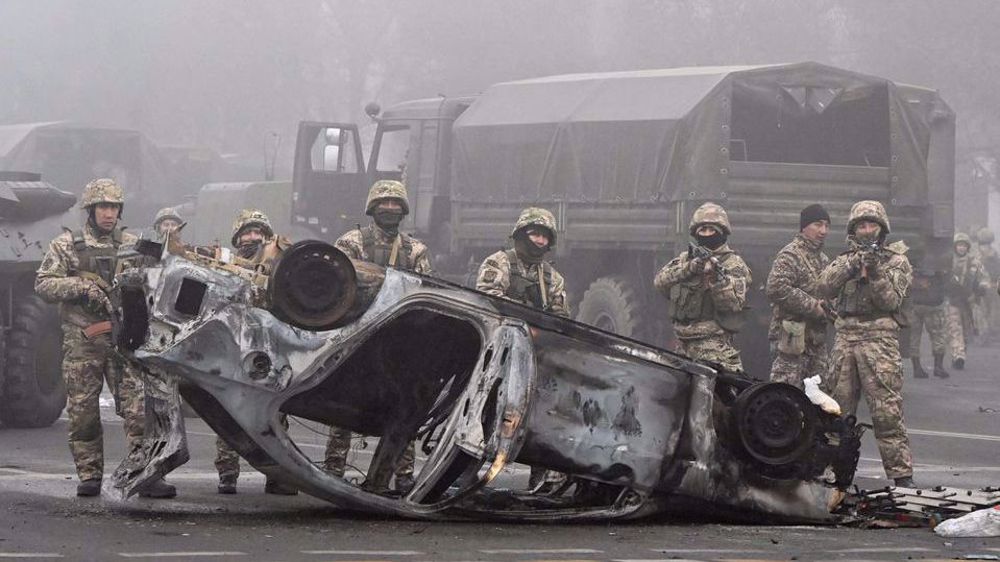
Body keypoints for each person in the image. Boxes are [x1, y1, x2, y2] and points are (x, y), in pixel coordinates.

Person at [35, 178, 176, 498]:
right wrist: (82, 287)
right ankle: (89, 474)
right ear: (91, 209)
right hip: (83, 340)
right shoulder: (67, 245)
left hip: (123, 339)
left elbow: (159, 276)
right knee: (84, 413)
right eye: (103, 207)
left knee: (140, 413)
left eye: (114, 207)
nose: (109, 213)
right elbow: (43, 285)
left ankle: (146, 474)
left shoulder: (131, 244)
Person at [323, 181, 431, 494]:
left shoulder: (416, 251)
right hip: (357, 335)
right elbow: (338, 283)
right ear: (372, 207)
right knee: (343, 405)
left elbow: (425, 293)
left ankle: (403, 475)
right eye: (383, 203)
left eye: (396, 204)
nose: (389, 209)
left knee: (404, 408)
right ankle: (333, 469)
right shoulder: (352, 242)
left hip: (400, 342)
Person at [817, 200, 916, 488]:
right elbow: (823, 286)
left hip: (879, 339)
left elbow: (890, 301)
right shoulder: (844, 259)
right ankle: (833, 475)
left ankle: (901, 476)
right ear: (853, 229)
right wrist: (851, 265)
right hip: (846, 338)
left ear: (882, 228)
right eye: (861, 225)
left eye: (872, 224)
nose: (867, 230)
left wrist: (874, 272)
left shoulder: (897, 262)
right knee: (836, 411)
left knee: (887, 412)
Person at [476, 207, 569, 493]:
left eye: (544, 236)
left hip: (533, 356)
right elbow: (487, 300)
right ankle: (469, 476)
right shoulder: (499, 263)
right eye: (534, 234)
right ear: (520, 234)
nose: (539, 241)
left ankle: (539, 481)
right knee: (486, 417)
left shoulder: (552, 278)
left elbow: (561, 316)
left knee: (537, 418)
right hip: (499, 354)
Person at [215, 209, 298, 495]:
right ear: (237, 237)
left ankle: (278, 476)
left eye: (259, 232)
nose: (253, 237)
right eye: (247, 232)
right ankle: (227, 473)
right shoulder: (222, 264)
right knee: (228, 408)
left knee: (275, 414)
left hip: (270, 348)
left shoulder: (280, 265)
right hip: (234, 346)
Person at [653, 202, 751, 373]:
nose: (706, 234)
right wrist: (688, 270)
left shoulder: (733, 264)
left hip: (712, 346)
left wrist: (715, 280)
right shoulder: (686, 259)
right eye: (702, 230)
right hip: (681, 345)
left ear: (722, 233)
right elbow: (660, 283)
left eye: (711, 230)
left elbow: (733, 304)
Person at [765, 204, 832, 389]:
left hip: (816, 341)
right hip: (792, 340)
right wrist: (812, 306)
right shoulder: (790, 255)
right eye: (818, 224)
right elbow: (776, 288)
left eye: (826, 226)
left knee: (818, 397)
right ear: (804, 227)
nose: (823, 231)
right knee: (786, 394)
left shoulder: (823, 259)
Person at [947, 232, 990, 369]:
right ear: (955, 247)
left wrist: (982, 287)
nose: (961, 248)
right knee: (955, 329)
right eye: (959, 245)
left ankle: (961, 354)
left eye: (964, 245)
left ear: (968, 247)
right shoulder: (948, 262)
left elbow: (984, 278)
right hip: (953, 301)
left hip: (969, 302)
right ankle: (958, 355)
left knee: (966, 331)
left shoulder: (974, 263)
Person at [905, 250, 950, 379]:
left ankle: (917, 368)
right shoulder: (939, 261)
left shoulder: (911, 262)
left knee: (914, 337)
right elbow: (946, 282)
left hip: (916, 304)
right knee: (937, 335)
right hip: (932, 305)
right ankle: (938, 367)